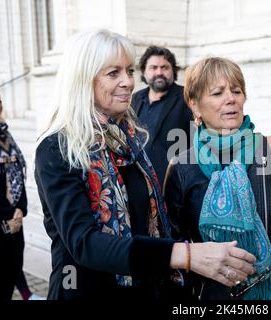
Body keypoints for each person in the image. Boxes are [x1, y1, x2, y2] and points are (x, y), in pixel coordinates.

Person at [34, 29, 256, 300]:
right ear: (82, 80)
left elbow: (152, 224)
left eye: (129, 71)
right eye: (113, 73)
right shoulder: (57, 148)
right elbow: (84, 243)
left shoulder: (129, 142)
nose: (128, 82)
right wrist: (185, 255)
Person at [164, 57, 271, 301]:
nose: (230, 98)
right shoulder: (182, 168)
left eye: (236, 90)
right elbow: (173, 244)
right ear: (195, 105)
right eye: (217, 93)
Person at [132, 46, 193, 186]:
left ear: (173, 71)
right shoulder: (134, 100)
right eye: (153, 67)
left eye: (164, 67)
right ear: (144, 71)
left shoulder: (187, 98)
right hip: (140, 183)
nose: (159, 72)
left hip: (174, 184)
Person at [0, 87, 27, 301]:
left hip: (14, 221)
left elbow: (19, 174)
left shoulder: (5, 133)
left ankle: (27, 294)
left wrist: (20, 210)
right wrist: (8, 214)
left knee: (13, 266)